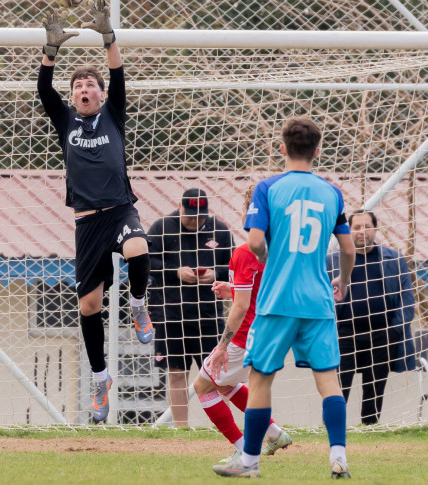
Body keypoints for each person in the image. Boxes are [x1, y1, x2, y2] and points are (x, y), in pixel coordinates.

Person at [213, 116, 355, 479]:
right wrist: (344, 279)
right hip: (318, 301)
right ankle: (338, 455)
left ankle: (249, 462)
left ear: (282, 148)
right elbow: (348, 248)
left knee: (260, 379)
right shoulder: (331, 192)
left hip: (277, 302)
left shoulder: (268, 188)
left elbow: (256, 241)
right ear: (317, 151)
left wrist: (265, 258)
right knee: (328, 380)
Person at [37, 0, 153, 424]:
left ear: (101, 96)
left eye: (91, 86)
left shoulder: (113, 114)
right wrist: (51, 50)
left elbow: (119, 73)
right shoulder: (65, 120)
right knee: (89, 306)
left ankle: (139, 305)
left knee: (139, 248)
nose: (84, 91)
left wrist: (109, 38)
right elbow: (42, 90)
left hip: (120, 210)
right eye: (78, 88)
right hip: (87, 223)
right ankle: (101, 379)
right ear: (73, 97)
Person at [193, 185, 292, 463]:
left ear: (252, 213)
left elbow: (242, 306)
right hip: (275, 332)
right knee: (224, 384)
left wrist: (223, 345)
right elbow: (263, 290)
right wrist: (234, 288)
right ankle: (272, 433)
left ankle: (242, 448)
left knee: (202, 386)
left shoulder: (245, 251)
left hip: (246, 335)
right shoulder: (284, 249)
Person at [147, 188, 233, 426]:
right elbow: (146, 262)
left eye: (201, 216)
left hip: (208, 315)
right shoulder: (162, 227)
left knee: (217, 376)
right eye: (191, 215)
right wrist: (175, 272)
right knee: (176, 373)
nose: (196, 221)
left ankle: (223, 427)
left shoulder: (220, 230)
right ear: (181, 207)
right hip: (171, 314)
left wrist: (216, 273)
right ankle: (181, 430)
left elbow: (233, 264)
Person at [326, 210, 416, 425]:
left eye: (367, 226)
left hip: (382, 335)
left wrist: (394, 331)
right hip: (343, 335)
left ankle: (370, 430)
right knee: (338, 386)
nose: (362, 231)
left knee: (374, 389)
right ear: (348, 231)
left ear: (376, 229)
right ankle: (333, 429)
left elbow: (407, 299)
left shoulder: (393, 260)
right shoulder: (330, 261)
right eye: (356, 227)